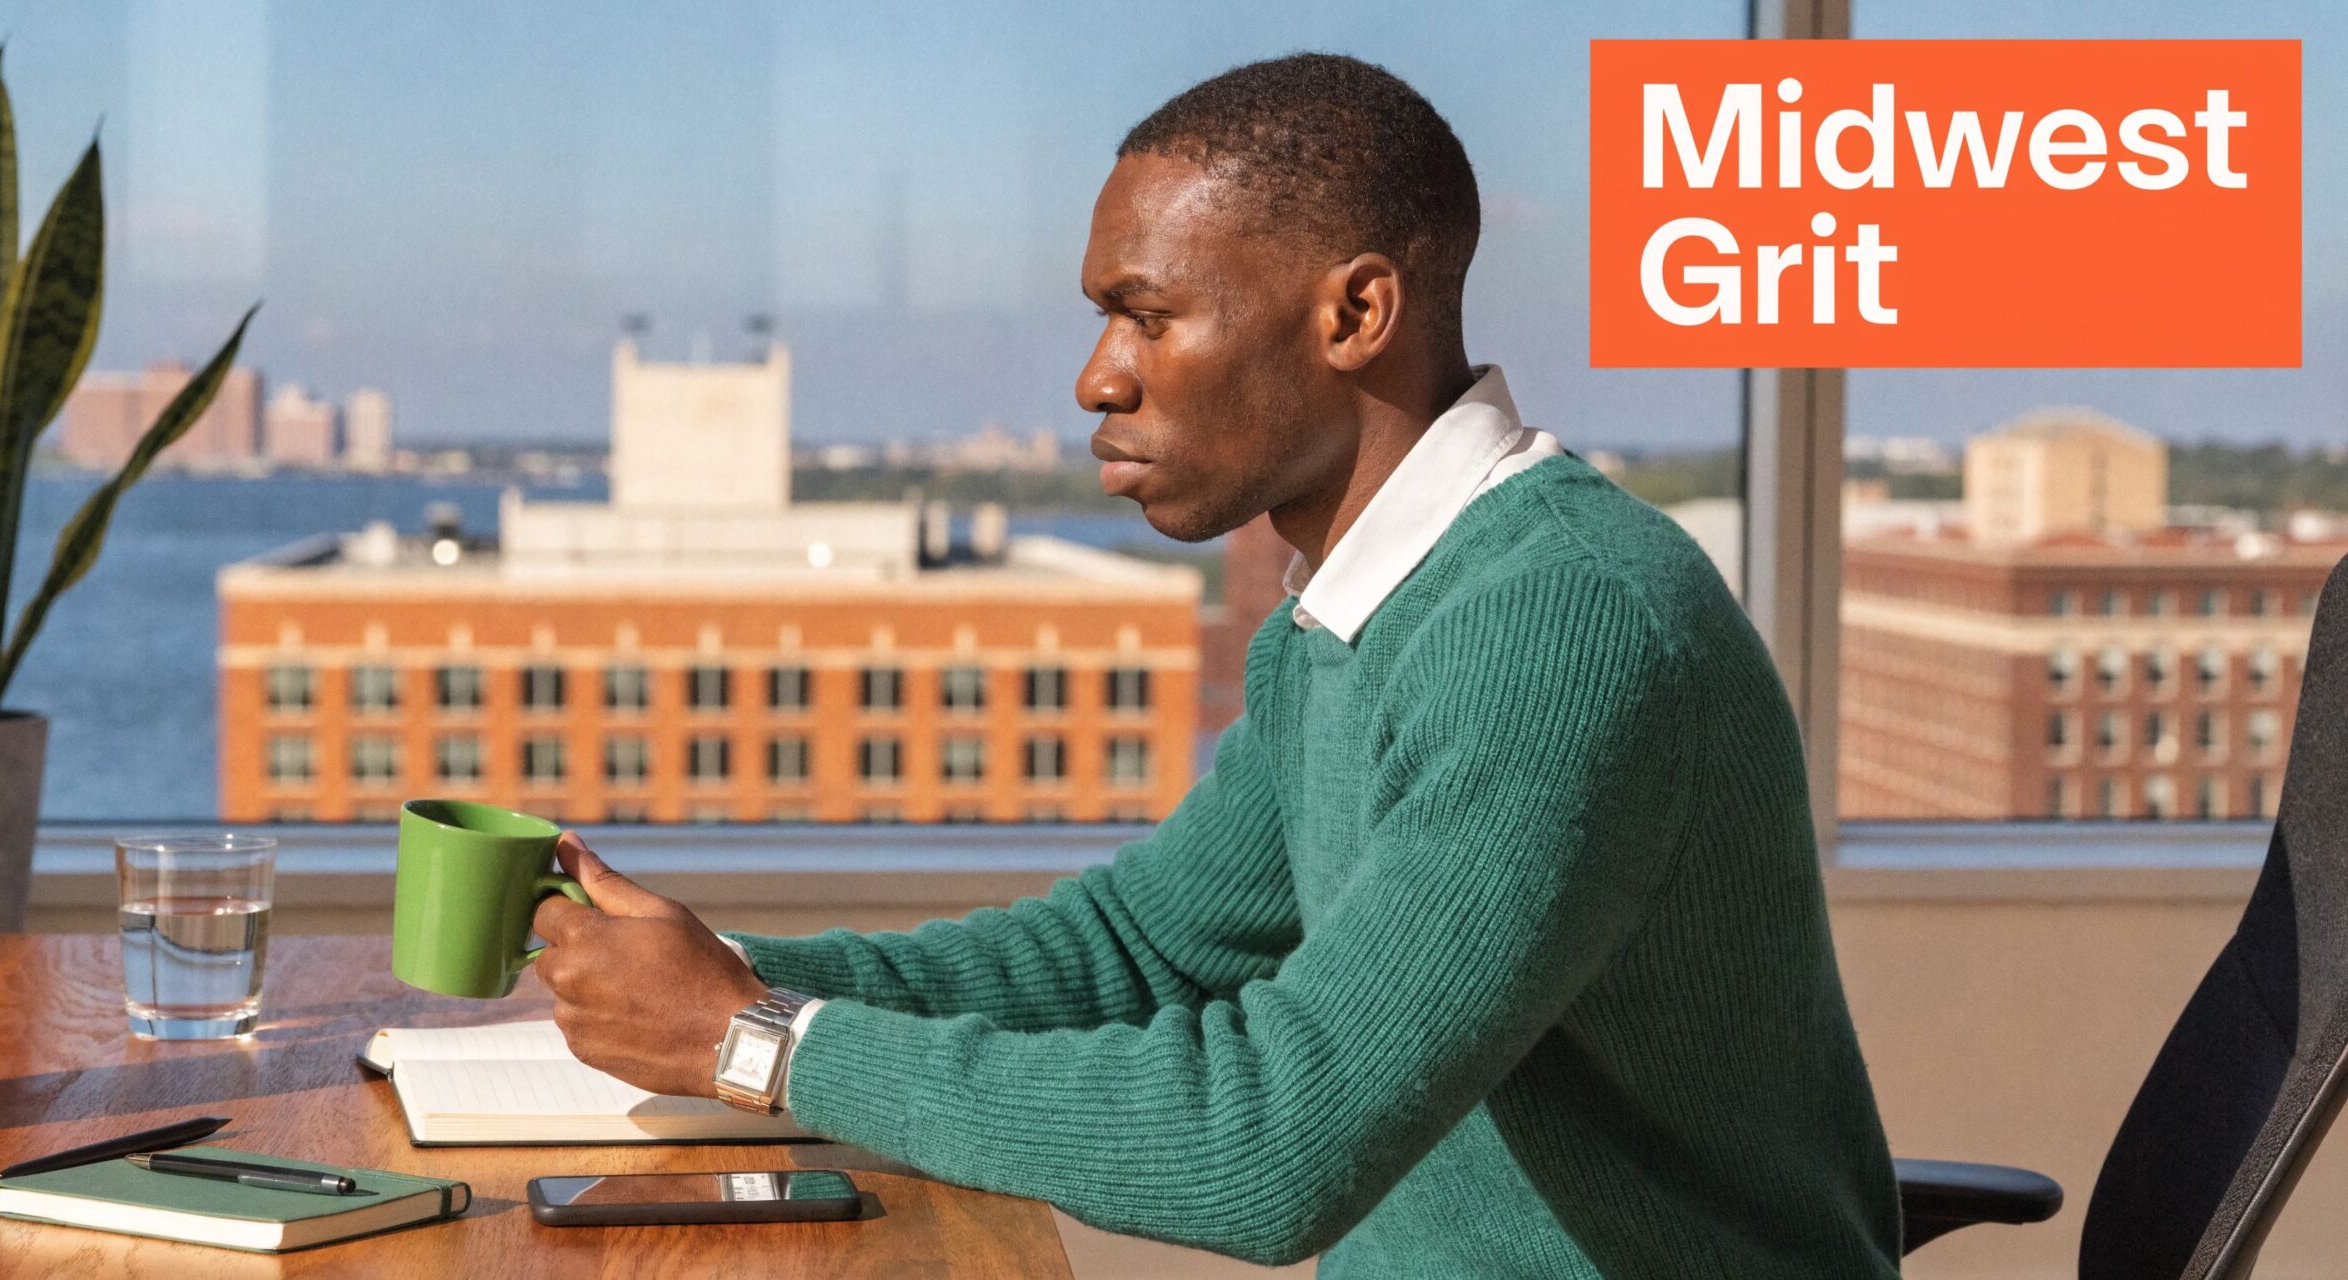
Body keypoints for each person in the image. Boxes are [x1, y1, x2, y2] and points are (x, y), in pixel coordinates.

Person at [531, 52, 1902, 1276]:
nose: (1096, 379)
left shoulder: (1564, 626)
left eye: (1148, 315)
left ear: (1355, 312)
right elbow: (1136, 952)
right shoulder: (1350, 621)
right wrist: (729, 973)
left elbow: (1276, 1144)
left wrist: (758, 1044)